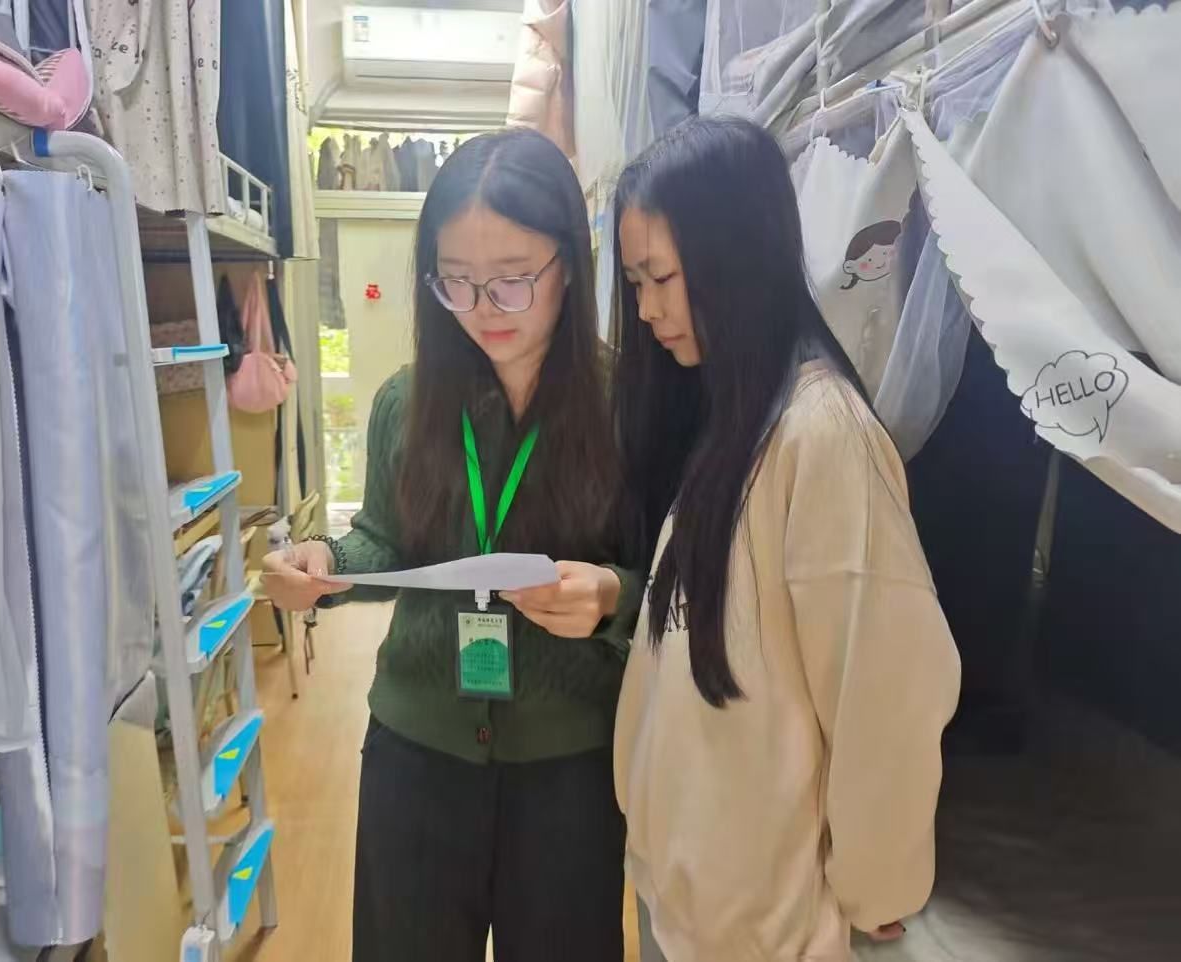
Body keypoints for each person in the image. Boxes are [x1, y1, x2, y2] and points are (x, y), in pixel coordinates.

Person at [260, 128, 640, 962]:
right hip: (416, 754)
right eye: (456, 281)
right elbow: (384, 542)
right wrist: (326, 564)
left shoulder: (629, 404)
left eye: (512, 279)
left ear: (570, 264)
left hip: (571, 765)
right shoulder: (408, 401)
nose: (482, 309)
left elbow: (676, 579)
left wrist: (614, 595)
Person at [610, 116, 962, 962]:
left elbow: (883, 695)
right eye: (634, 282)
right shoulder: (731, 421)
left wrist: (877, 882)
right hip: (689, 898)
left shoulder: (823, 436)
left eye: (661, 277)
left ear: (735, 256)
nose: (647, 310)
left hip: (764, 925)